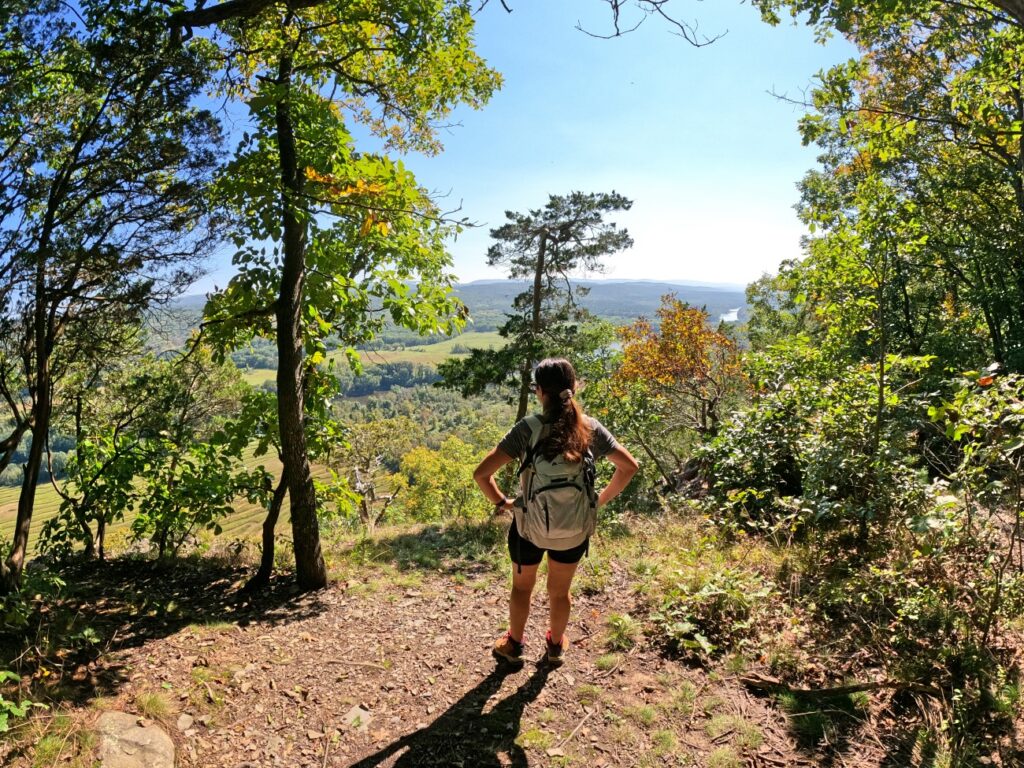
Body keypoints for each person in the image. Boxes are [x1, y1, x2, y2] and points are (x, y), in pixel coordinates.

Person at [473, 358, 639, 668]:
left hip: (528, 529)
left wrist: (504, 503)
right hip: (574, 530)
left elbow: (481, 474)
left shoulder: (527, 429)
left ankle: (513, 644)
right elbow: (629, 467)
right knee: (560, 593)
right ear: (573, 387)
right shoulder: (590, 428)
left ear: (539, 392)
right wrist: (598, 501)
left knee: (522, 587)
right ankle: (554, 646)